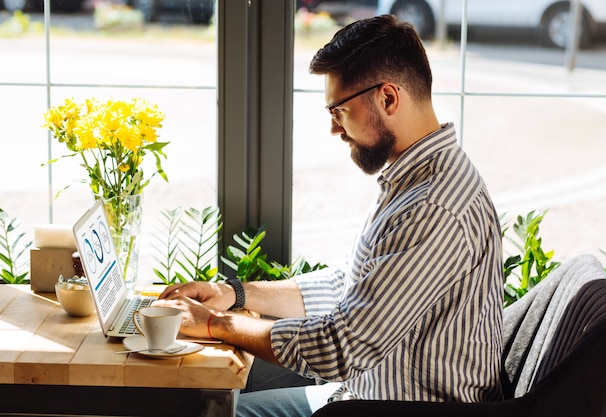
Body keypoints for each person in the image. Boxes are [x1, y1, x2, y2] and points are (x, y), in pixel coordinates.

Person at [154, 14, 503, 417]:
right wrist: (236, 294)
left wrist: (217, 324)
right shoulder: (418, 178)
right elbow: (350, 285)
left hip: (391, 406)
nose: (334, 130)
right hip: (358, 396)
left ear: (388, 98)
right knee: (215, 401)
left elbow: (342, 347)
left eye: (339, 111)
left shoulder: (431, 205)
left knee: (207, 411)